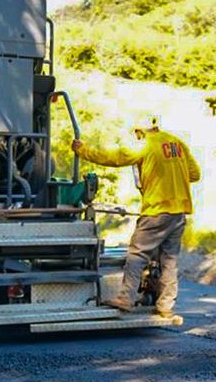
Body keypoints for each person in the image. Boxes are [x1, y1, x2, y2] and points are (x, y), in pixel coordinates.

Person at [72, 116, 201, 321]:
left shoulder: (145, 145)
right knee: (169, 260)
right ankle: (166, 306)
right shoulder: (177, 143)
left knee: (137, 254)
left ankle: (126, 298)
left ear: (140, 131)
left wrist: (83, 150)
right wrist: (170, 174)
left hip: (156, 211)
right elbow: (194, 174)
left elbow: (115, 157)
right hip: (178, 213)